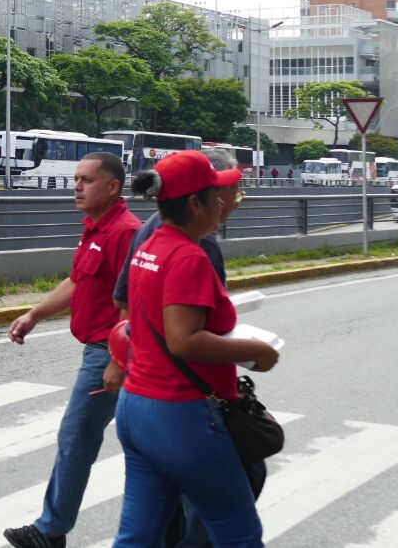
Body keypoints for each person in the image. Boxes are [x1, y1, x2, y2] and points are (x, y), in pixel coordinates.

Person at [112, 151, 279, 547]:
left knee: (138, 535)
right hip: (181, 413)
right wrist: (257, 350)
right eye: (215, 194)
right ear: (194, 203)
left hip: (138, 407)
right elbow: (183, 339)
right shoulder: (190, 256)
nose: (224, 202)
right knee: (238, 531)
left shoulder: (148, 248)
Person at [3, 152, 141, 548]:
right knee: (83, 438)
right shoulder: (97, 229)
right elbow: (77, 281)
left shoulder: (124, 233)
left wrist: (118, 359)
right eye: (75, 178)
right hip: (98, 351)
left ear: (113, 187)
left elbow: (132, 305)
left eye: (87, 180)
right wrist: (34, 314)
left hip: (109, 353)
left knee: (78, 437)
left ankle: (51, 530)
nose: (76, 186)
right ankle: (54, 528)